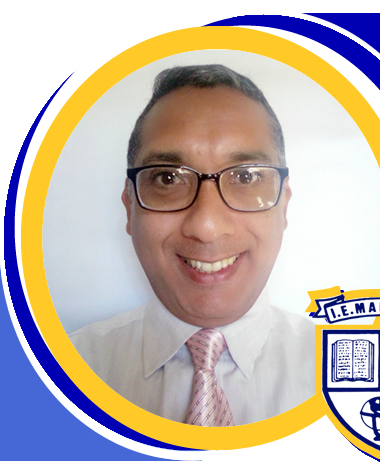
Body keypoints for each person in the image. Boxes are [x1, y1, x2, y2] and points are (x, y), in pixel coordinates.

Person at [70, 64, 315, 426]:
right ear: (129, 208)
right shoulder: (64, 369)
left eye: (246, 176)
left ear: (283, 207)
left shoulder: (356, 379)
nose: (206, 227)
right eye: (168, 178)